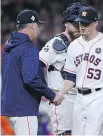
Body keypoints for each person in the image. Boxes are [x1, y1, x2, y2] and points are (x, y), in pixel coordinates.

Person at [1, 9, 62, 135]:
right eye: (37, 25)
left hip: (9, 108)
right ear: (32, 25)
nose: (38, 28)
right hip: (24, 110)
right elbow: (30, 78)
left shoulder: (9, 46)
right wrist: (51, 95)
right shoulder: (28, 48)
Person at [39, 3, 84, 135]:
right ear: (66, 23)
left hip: (81, 98)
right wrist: (47, 92)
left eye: (82, 24)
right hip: (63, 100)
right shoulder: (55, 43)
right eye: (76, 24)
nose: (79, 27)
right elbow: (37, 65)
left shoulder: (82, 45)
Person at [59, 6, 103, 135]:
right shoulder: (74, 45)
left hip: (98, 97)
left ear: (95, 23)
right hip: (78, 98)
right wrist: (60, 93)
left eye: (86, 23)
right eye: (80, 23)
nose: (82, 26)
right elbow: (70, 77)